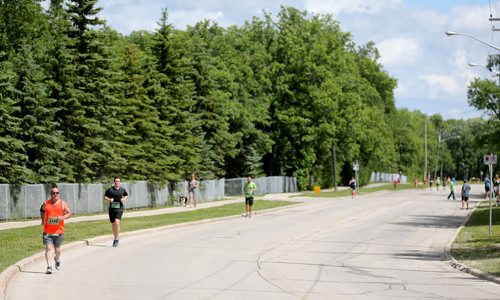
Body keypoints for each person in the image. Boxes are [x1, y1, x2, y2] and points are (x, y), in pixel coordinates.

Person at [40, 186, 72, 274]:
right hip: (47, 231)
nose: (55, 195)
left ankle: (57, 259)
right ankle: (49, 266)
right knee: (48, 248)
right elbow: (42, 210)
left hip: (59, 231)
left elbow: (69, 213)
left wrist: (62, 218)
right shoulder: (46, 203)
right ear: (50, 194)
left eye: (57, 193)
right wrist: (43, 220)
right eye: (53, 193)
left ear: (59, 194)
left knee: (57, 250)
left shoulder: (62, 203)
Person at [104, 176, 128, 247]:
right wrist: (109, 200)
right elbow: (105, 196)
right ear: (114, 182)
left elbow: (126, 195)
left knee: (117, 223)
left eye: (118, 181)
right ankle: (115, 238)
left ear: (120, 182)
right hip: (112, 209)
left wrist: (124, 199)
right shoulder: (110, 190)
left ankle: (117, 239)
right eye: (116, 181)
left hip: (119, 208)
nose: (117, 182)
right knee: (113, 224)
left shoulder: (122, 189)